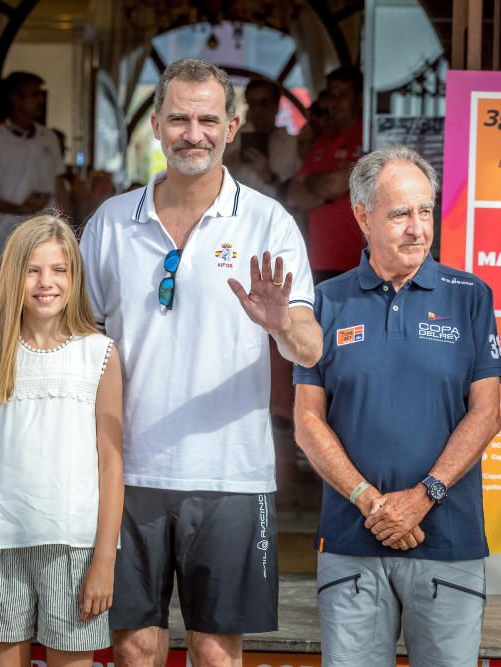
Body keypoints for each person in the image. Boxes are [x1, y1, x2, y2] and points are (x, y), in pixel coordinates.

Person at [80, 58, 323, 667]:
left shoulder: (269, 222)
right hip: (127, 473)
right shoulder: (111, 223)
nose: (195, 133)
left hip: (231, 475)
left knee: (217, 652)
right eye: (181, 119)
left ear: (233, 126)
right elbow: (78, 341)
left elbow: (310, 348)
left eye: (208, 119)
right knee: (135, 647)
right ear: (157, 126)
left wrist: (280, 324)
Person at [293, 145, 501, 667]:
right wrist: (368, 501)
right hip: (351, 543)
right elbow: (306, 419)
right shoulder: (326, 301)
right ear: (362, 216)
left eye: (425, 210)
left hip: (449, 543)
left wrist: (424, 495)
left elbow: (488, 412)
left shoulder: (470, 297)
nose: (417, 228)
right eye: (400, 213)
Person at [0, 215, 124, 666]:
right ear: (13, 276)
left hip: (75, 548)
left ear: (75, 277)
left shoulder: (99, 353)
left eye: (58, 270)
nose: (45, 282)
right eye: (32, 270)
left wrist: (104, 559)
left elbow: (111, 463)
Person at [0, 72, 69, 285]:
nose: (40, 100)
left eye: (40, 94)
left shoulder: (48, 138)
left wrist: (68, 230)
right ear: (15, 99)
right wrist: (20, 209)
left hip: (47, 244)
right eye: (34, 95)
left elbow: (59, 187)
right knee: (4, 313)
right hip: (6, 244)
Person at [287, 66, 366, 282]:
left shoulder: (366, 137)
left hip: (355, 262)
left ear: (359, 99)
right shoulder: (323, 141)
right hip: (316, 263)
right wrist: (328, 193)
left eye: (343, 95)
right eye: (332, 94)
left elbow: (333, 184)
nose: (335, 102)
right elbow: (294, 194)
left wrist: (315, 185)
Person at [223, 79, 300, 199]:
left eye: (264, 103)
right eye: (252, 104)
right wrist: (223, 167)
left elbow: (300, 194)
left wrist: (269, 175)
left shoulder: (294, 144)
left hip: (277, 214)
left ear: (276, 105)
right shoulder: (230, 138)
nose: (258, 110)